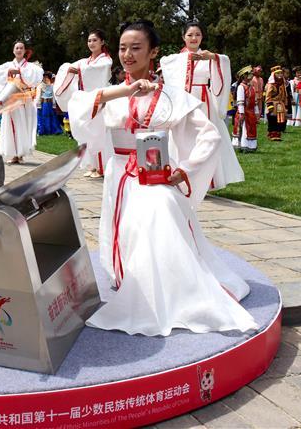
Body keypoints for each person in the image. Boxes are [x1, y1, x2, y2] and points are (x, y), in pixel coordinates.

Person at [69, 19, 257, 337]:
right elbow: (80, 109)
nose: (128, 54)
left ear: (154, 51)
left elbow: (209, 136)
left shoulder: (171, 96)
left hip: (153, 176)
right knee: (125, 229)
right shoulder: (113, 93)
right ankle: (131, 276)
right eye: (123, 48)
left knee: (159, 214)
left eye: (137, 48)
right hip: (119, 174)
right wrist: (125, 90)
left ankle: (168, 288)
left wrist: (185, 170)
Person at [160, 22, 243, 189]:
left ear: (202, 37)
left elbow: (224, 62)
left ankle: (206, 180)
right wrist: (188, 59)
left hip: (203, 102)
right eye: (190, 35)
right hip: (184, 101)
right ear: (183, 37)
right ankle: (180, 177)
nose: (194, 38)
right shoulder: (176, 60)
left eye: (197, 34)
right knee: (183, 138)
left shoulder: (208, 57)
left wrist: (212, 57)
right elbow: (165, 62)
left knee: (207, 138)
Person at [55, 29, 113, 178]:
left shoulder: (105, 60)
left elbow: (96, 71)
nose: (91, 43)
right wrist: (71, 69)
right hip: (87, 102)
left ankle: (102, 167)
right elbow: (67, 68)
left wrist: (78, 70)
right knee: (87, 133)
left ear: (102, 42)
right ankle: (92, 165)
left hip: (99, 101)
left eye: (94, 40)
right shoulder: (85, 61)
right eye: (89, 41)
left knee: (99, 133)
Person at [0, 41, 43, 164]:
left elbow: (37, 76)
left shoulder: (30, 67)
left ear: (25, 51)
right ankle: (13, 153)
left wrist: (20, 73)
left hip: (24, 99)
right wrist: (8, 72)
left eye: (21, 48)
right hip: (11, 100)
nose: (19, 50)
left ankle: (21, 154)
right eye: (17, 48)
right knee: (9, 125)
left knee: (22, 124)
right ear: (13, 51)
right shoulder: (8, 65)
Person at [231, 66, 258, 153]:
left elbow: (255, 101)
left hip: (251, 112)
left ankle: (251, 146)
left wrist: (256, 111)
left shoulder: (252, 87)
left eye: (251, 74)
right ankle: (243, 145)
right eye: (249, 74)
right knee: (244, 128)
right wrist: (242, 113)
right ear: (244, 76)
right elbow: (240, 101)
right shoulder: (241, 87)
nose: (251, 76)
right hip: (244, 112)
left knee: (251, 129)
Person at [264, 66, 289, 141]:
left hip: (280, 104)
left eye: (281, 73)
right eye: (278, 73)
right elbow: (268, 96)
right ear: (274, 75)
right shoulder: (271, 85)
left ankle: (277, 134)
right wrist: (269, 105)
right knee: (272, 119)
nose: (280, 75)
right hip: (273, 104)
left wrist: (285, 104)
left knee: (279, 120)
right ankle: (272, 134)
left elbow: (285, 95)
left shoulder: (282, 84)